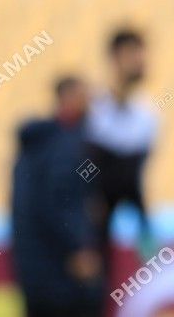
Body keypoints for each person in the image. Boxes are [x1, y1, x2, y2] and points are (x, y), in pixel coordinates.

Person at [11, 76, 104, 317]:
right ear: (68, 98)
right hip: (61, 273)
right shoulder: (65, 146)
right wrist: (78, 247)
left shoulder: (35, 146)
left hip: (34, 269)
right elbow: (60, 203)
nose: (90, 103)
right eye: (84, 96)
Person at [85, 28, 159, 276]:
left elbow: (134, 177)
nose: (139, 60)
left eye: (141, 53)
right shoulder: (93, 110)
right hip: (94, 217)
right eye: (131, 53)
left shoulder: (148, 114)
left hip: (132, 203)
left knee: (150, 265)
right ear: (115, 58)